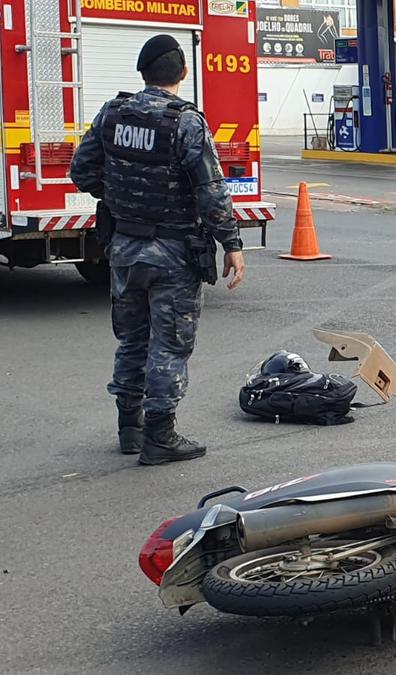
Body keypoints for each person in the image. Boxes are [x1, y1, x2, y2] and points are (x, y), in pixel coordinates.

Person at [69, 34, 245, 465]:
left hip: (124, 247)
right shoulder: (186, 122)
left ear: (142, 73)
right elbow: (211, 193)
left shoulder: (113, 113)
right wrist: (232, 244)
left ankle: (129, 429)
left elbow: (81, 171)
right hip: (173, 251)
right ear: (184, 73)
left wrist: (114, 196)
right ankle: (160, 436)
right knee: (168, 345)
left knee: (131, 340)